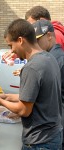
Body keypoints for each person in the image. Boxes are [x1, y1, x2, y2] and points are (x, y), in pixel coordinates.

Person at [0, 19, 62, 149]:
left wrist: (0, 101)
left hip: (39, 141)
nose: (11, 51)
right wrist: (5, 96)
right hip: (53, 135)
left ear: (20, 40)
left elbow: (23, 110)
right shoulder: (49, 58)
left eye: (10, 45)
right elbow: (36, 97)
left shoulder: (32, 67)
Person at [32, 19, 64, 149]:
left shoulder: (55, 59)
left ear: (49, 36)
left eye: (38, 40)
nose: (36, 45)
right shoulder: (52, 56)